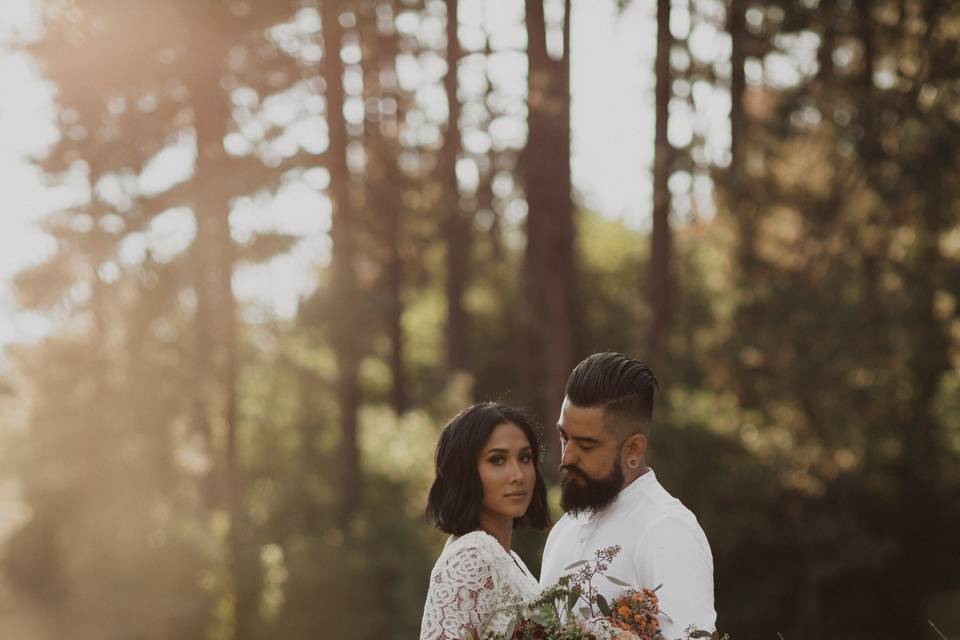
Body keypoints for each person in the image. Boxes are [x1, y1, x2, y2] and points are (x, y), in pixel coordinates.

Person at [540, 352, 717, 639]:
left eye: (586, 446)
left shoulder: (668, 530)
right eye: (564, 437)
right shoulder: (564, 529)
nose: (567, 457)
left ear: (633, 449)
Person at [420, 402, 551, 639]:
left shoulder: (506, 558)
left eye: (525, 458)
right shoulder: (471, 558)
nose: (518, 475)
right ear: (465, 471)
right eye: (497, 460)